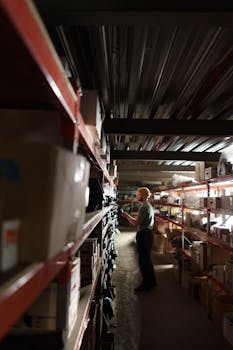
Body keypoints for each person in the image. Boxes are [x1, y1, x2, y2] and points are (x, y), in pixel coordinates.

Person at [121, 187, 157, 293]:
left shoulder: (144, 208)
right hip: (148, 234)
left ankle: (146, 284)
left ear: (143, 196)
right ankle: (152, 282)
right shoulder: (149, 206)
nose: (137, 196)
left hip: (144, 235)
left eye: (138, 194)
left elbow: (135, 223)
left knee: (143, 261)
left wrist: (126, 216)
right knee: (147, 260)